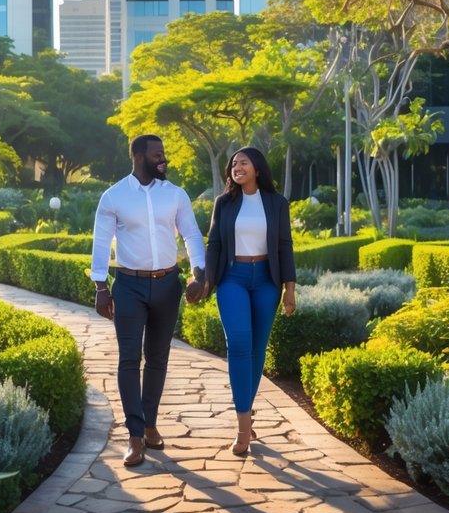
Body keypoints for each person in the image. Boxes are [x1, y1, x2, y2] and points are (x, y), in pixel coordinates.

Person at [90, 134, 206, 467]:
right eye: (158, 154)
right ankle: (135, 436)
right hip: (129, 285)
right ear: (139, 156)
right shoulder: (114, 197)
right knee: (129, 359)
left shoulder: (176, 195)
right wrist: (100, 287)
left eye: (164, 154)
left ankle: (151, 422)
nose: (163, 159)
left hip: (168, 285)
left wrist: (198, 274)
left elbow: (191, 234)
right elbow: (101, 242)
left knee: (157, 358)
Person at [194, 146, 295, 457]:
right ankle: (242, 429)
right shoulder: (224, 203)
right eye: (233, 164)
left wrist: (289, 290)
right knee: (239, 343)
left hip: (267, 279)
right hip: (233, 278)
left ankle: (246, 416)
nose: (236, 168)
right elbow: (214, 244)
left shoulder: (277, 204)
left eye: (243, 163)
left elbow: (285, 246)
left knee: (256, 349)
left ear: (257, 169)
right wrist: (207, 280)